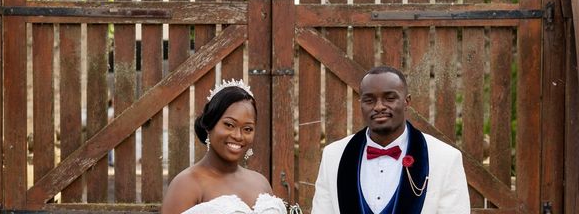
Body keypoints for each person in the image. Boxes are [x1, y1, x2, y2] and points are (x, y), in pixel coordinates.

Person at [311, 65, 470, 214]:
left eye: (389, 98)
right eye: (369, 100)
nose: (379, 106)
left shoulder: (446, 158)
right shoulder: (333, 156)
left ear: (407, 102)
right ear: (360, 103)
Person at [161, 79, 288, 214]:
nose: (238, 136)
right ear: (210, 126)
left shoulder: (261, 182)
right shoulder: (187, 184)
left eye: (247, 129)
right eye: (229, 125)